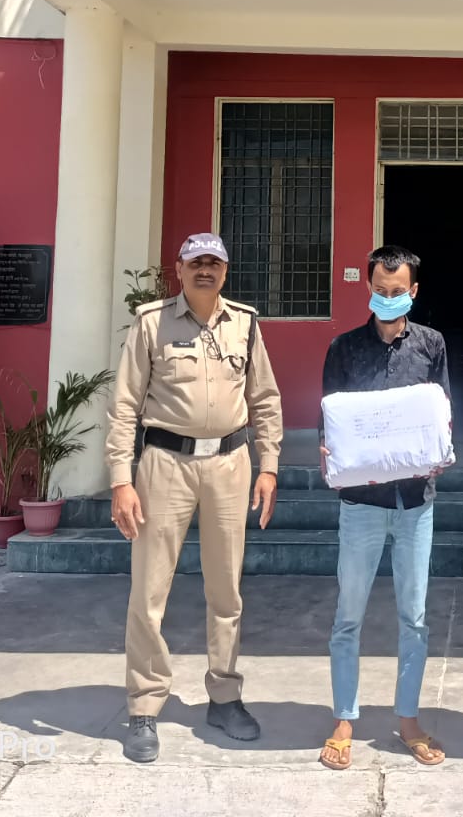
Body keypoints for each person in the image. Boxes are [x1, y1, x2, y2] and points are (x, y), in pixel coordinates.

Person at [106, 232, 283, 764]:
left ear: (225, 271)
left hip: (230, 463)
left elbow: (265, 399)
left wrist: (269, 466)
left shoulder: (245, 323)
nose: (205, 270)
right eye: (196, 262)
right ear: (179, 269)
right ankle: (144, 705)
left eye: (214, 263)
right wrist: (121, 479)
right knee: (149, 591)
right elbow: (124, 405)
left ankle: (224, 697)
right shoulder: (151, 323)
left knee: (226, 591)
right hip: (165, 464)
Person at [317, 245, 451, 771]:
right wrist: (328, 450)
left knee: (414, 617)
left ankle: (408, 718)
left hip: (416, 501)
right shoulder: (344, 348)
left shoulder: (432, 344)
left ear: (413, 291)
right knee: (348, 615)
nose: (388, 298)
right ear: (368, 288)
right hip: (361, 503)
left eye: (397, 291)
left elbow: (440, 411)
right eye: (380, 290)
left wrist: (439, 450)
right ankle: (344, 718)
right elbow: (331, 418)